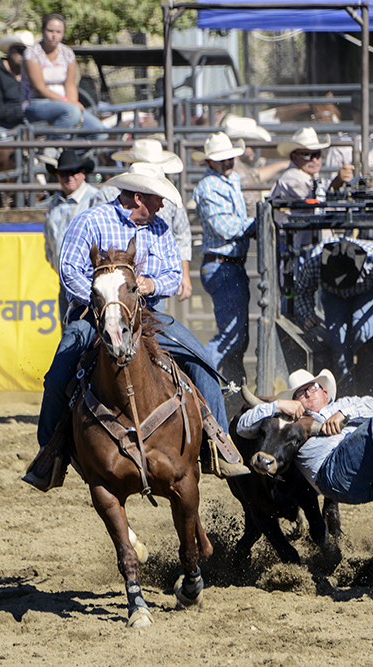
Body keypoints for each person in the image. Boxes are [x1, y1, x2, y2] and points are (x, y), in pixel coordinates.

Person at [25, 162, 248, 491]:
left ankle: (218, 442)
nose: (162, 206)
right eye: (159, 199)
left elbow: (172, 275)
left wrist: (150, 284)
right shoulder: (92, 221)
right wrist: (106, 299)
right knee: (58, 376)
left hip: (148, 316)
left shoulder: (159, 229)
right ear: (140, 197)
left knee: (202, 361)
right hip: (94, 315)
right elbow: (69, 270)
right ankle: (50, 454)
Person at [235, 322, 373, 505]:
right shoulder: (292, 421)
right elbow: (243, 427)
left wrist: (343, 413)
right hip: (335, 477)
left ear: (324, 392)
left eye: (310, 388)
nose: (306, 395)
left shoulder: (346, 403)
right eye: (299, 394)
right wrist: (278, 405)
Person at [192, 132, 254, 386]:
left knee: (237, 335)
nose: (228, 162)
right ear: (209, 162)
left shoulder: (231, 180)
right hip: (222, 265)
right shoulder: (208, 187)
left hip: (229, 265)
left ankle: (232, 386)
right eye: (222, 159)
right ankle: (195, 376)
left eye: (230, 157)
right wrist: (258, 222)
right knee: (231, 335)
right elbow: (225, 227)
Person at [108, 138, 192, 306]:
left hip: (155, 281)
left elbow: (181, 233)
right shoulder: (109, 196)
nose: (160, 205)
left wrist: (184, 275)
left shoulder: (165, 197)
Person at [294, 237, 373, 392]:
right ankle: (344, 390)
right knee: (339, 344)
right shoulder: (314, 263)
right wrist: (308, 315)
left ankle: (367, 385)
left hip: (367, 291)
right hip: (333, 295)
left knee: (363, 332)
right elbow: (302, 291)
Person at [44, 150, 118, 319]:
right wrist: (60, 268)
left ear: (82, 174)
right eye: (64, 173)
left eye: (74, 172)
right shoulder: (54, 203)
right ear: (57, 175)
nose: (69, 177)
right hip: (65, 281)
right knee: (69, 330)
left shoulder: (95, 199)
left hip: (89, 280)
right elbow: (49, 242)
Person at [21, 13, 106, 152]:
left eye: (58, 32)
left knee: (100, 132)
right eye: (50, 31)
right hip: (37, 103)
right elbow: (39, 88)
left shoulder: (67, 53)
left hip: (66, 103)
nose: (54, 35)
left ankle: (67, 156)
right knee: (71, 111)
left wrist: (74, 106)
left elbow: (70, 84)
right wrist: (69, 103)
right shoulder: (32, 54)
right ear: (43, 31)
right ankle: (50, 149)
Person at [270, 127, 354, 245]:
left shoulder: (308, 174)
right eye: (307, 155)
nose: (314, 159)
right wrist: (337, 182)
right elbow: (318, 201)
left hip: (307, 242)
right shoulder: (293, 177)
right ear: (295, 157)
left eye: (317, 154)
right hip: (298, 246)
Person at [323, 92, 373, 183]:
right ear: (354, 113)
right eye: (368, 115)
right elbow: (331, 182)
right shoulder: (340, 146)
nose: (371, 119)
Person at [221, 114, 287, 217]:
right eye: (251, 145)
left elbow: (255, 175)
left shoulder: (236, 167)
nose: (255, 150)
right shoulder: (237, 169)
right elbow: (251, 204)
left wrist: (283, 164)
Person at [0, 30, 35, 134]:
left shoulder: (32, 74)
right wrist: (25, 110)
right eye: (20, 50)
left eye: (29, 52)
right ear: (10, 50)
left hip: (30, 125)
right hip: (2, 127)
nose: (24, 55)